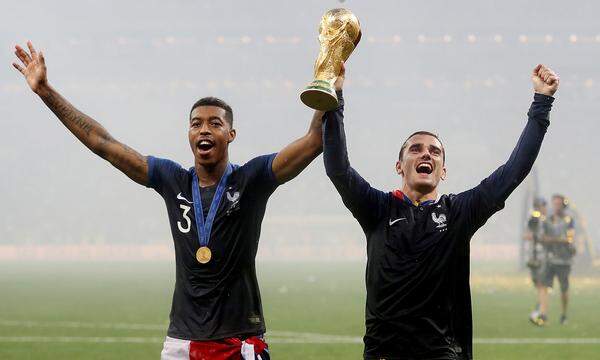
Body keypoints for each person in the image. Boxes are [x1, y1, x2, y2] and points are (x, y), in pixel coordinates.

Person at [11, 41, 337, 359]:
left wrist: (331, 79)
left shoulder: (250, 179)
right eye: (196, 124)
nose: (204, 130)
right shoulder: (172, 179)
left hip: (238, 342)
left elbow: (314, 141)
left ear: (231, 135)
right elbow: (103, 144)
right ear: (189, 134)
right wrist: (45, 92)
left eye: (215, 123)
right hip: (181, 342)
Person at [323, 63, 559, 359]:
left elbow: (514, 171)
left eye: (435, 151)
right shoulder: (378, 208)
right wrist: (335, 97)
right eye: (416, 149)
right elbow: (338, 169)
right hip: (384, 353)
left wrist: (542, 102)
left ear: (442, 171)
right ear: (399, 166)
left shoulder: (459, 212)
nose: (426, 154)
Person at [533, 194, 576, 326]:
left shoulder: (569, 220)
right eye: (554, 203)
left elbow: (569, 239)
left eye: (558, 204)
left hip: (564, 260)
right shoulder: (547, 219)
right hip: (549, 259)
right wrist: (559, 240)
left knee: (564, 289)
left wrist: (559, 241)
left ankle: (563, 314)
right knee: (543, 285)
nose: (556, 206)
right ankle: (543, 315)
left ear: (564, 205)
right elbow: (541, 237)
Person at [524, 198, 549, 325]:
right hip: (533, 256)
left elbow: (549, 237)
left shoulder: (548, 220)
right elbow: (526, 235)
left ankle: (543, 313)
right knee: (539, 285)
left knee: (542, 284)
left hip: (543, 256)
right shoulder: (532, 220)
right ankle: (540, 310)